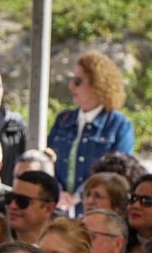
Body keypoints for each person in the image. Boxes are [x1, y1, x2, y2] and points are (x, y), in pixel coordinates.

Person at [48, 52, 134, 195]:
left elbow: (118, 175)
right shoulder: (63, 120)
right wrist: (58, 193)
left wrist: (79, 196)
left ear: (97, 85)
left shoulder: (120, 126)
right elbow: (47, 160)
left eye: (77, 81)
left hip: (97, 212)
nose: (71, 86)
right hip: (59, 209)